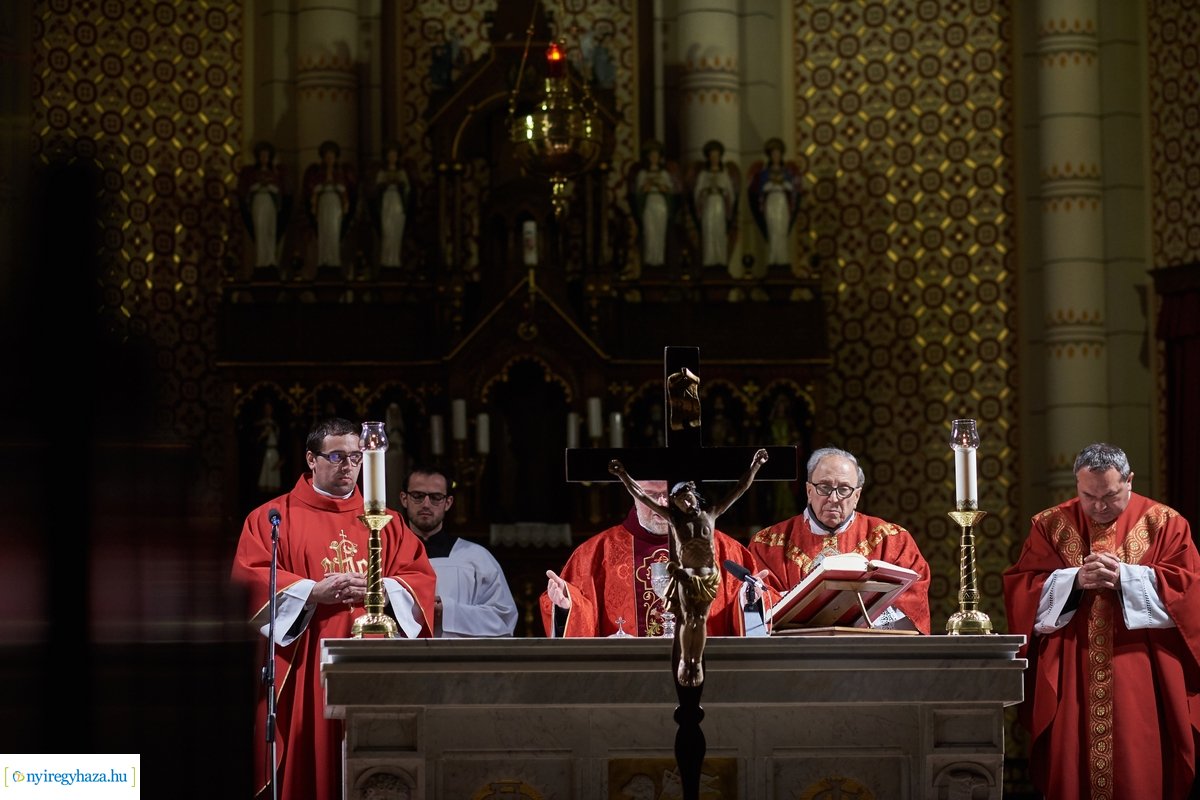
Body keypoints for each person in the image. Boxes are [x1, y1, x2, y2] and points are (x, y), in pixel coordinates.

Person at [230, 417, 437, 800]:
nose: (349, 466)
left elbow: (419, 578)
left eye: (356, 457)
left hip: (373, 665)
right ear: (311, 459)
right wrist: (311, 591)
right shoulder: (273, 518)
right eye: (337, 456)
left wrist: (383, 589)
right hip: (307, 664)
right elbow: (251, 578)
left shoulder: (388, 523)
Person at [1002, 442, 1200, 799]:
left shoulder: (1166, 524)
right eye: (1087, 496)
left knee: (1140, 766)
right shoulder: (1050, 524)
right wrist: (1073, 580)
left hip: (1143, 667)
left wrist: (1127, 577)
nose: (1098, 507)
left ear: (1129, 481)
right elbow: (1024, 588)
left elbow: (1189, 593)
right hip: (1073, 664)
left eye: (1109, 495)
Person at [605, 449, 769, 687]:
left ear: (695, 495)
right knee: (687, 619)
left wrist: (755, 466)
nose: (660, 501)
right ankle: (685, 660)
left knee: (698, 620)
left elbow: (739, 489)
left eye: (687, 496)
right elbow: (639, 492)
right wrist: (622, 475)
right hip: (686, 576)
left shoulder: (711, 517)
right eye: (655, 494)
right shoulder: (598, 551)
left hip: (707, 577)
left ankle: (695, 663)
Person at [541, 475, 763, 644]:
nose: (663, 503)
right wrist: (567, 607)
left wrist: (751, 601)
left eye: (670, 494)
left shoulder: (726, 550)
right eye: (650, 495)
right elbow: (576, 617)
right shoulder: (595, 553)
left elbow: (754, 618)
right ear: (634, 494)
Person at [749, 446, 931, 633]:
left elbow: (912, 600)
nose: (833, 498)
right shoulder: (768, 543)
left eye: (844, 489)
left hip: (868, 652)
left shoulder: (892, 540)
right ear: (809, 491)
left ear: (857, 496)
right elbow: (757, 609)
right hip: (797, 653)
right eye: (824, 487)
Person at [399, 464, 518, 637]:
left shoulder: (475, 558)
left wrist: (447, 611)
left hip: (457, 660)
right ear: (404, 499)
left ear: (448, 503)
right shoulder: (387, 555)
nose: (426, 504)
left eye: (436, 497)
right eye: (417, 496)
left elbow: (504, 620)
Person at [627, 139, 681, 273]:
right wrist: (648, 185)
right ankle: (649, 260)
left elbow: (669, 190)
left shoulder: (663, 174)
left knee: (660, 232)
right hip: (649, 203)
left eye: (656, 156)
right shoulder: (643, 174)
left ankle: (660, 260)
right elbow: (639, 192)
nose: (654, 158)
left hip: (660, 204)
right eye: (651, 156)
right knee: (649, 231)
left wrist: (660, 185)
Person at [747, 137, 801, 267]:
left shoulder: (787, 172)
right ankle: (772, 258)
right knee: (772, 229)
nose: (776, 156)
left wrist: (783, 184)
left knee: (782, 229)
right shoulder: (764, 173)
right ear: (770, 156)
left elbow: (792, 187)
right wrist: (772, 184)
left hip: (782, 201)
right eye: (773, 154)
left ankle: (782, 259)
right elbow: (760, 188)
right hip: (771, 201)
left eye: (778, 154)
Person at [303, 139, 355, 269]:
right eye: (327, 157)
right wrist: (322, 187)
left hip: (335, 204)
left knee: (334, 230)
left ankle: (334, 260)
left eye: (331, 157)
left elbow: (345, 191)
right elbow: (313, 190)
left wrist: (337, 187)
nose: (329, 159)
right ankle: (323, 260)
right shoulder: (318, 174)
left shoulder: (341, 173)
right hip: (324, 204)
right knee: (323, 230)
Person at [237, 140, 287, 268]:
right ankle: (261, 260)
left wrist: (270, 187)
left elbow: (280, 189)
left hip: (270, 202)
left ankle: (270, 259)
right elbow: (247, 189)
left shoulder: (274, 173)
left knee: (270, 229)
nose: (264, 158)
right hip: (258, 201)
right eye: (262, 155)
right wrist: (259, 186)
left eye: (266, 155)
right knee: (260, 229)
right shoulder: (252, 173)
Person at [691, 139, 738, 269]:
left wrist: (723, 193)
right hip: (708, 205)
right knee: (708, 229)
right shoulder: (703, 175)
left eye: (716, 156)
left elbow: (731, 193)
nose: (714, 159)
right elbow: (697, 193)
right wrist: (705, 192)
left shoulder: (724, 174)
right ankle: (709, 260)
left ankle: (720, 259)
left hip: (720, 205)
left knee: (719, 230)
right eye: (712, 156)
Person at [371, 142, 412, 269]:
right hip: (387, 202)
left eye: (394, 155)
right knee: (387, 231)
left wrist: (400, 185)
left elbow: (407, 189)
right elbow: (377, 190)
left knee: (396, 232)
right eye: (390, 155)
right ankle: (386, 260)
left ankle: (395, 259)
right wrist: (385, 185)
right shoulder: (382, 173)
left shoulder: (401, 173)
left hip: (397, 203)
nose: (392, 158)